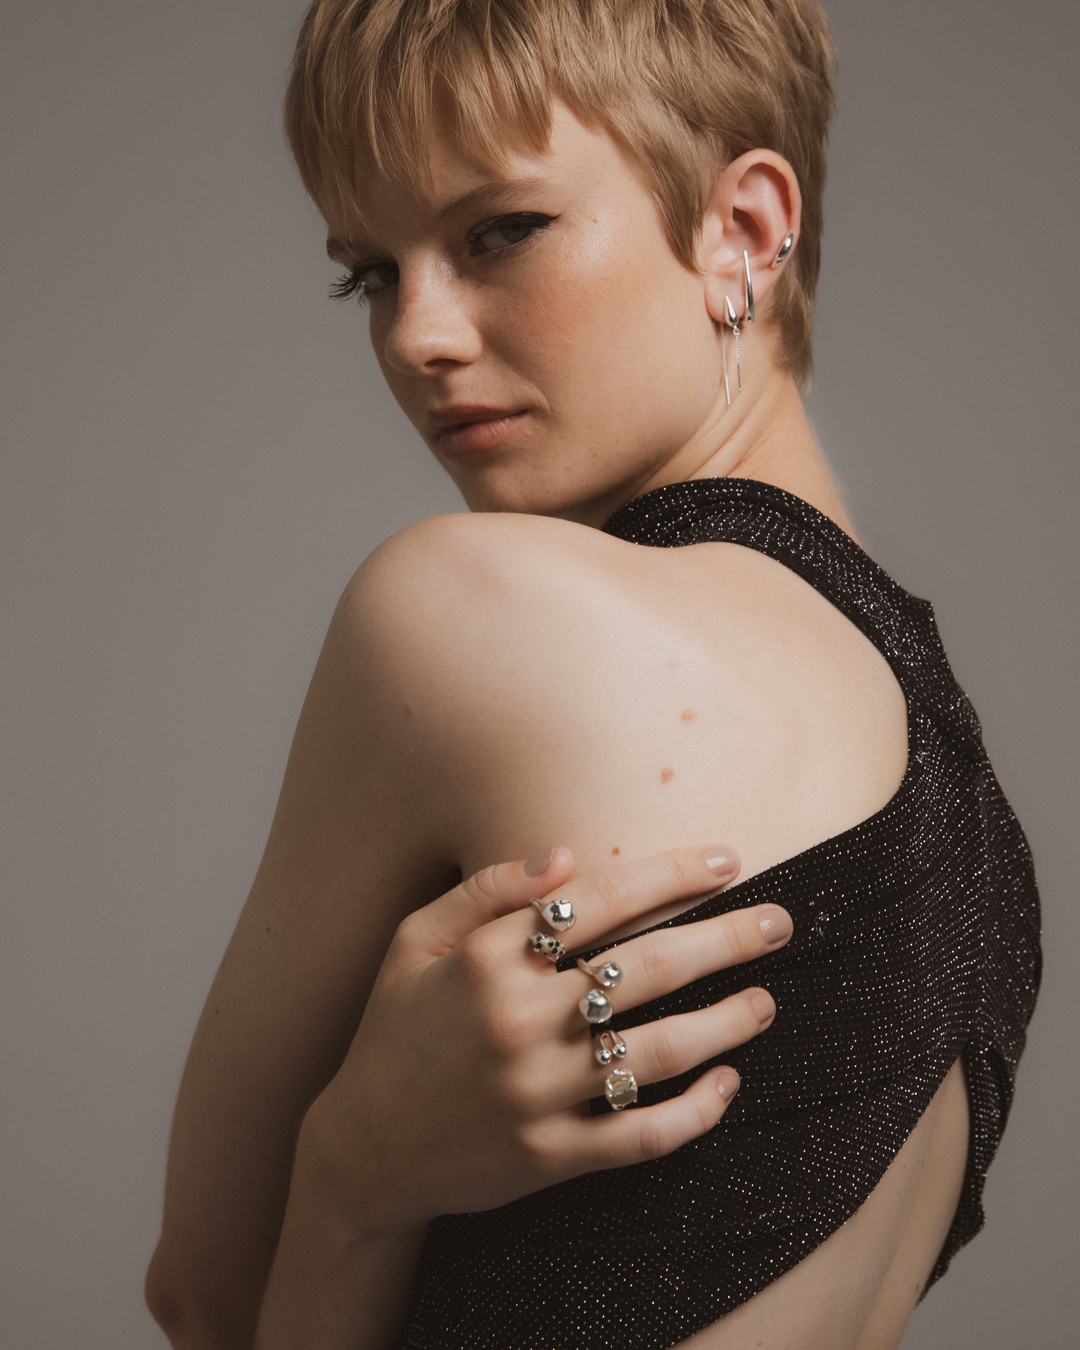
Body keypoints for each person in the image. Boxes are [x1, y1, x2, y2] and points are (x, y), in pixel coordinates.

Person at [145, 2, 1041, 1347]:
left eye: (499, 232)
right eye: (371, 273)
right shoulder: (970, 813)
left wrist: (352, 1177)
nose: (416, 336)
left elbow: (207, 1302)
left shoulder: (458, 612)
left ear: (741, 228)